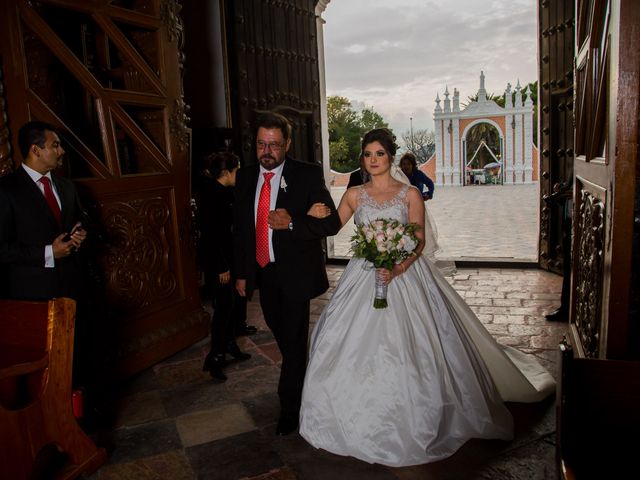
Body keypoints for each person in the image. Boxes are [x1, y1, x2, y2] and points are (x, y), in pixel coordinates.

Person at [298, 128, 555, 467]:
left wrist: (397, 267)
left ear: (390, 156)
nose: (373, 160)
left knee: (415, 343)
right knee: (342, 337)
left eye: (379, 154)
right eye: (367, 155)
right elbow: (332, 227)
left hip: (404, 275)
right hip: (362, 275)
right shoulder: (354, 195)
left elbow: (418, 242)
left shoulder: (410, 195)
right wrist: (309, 217)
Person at [233, 111, 341, 436]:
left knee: (293, 341)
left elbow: (331, 222)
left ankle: (291, 408)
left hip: (294, 273)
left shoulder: (307, 175)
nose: (267, 151)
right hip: (263, 273)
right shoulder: (245, 176)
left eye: (274, 145)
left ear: (287, 144)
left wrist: (292, 221)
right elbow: (241, 230)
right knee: (284, 336)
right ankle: (304, 378)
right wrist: (242, 273)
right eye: (261, 144)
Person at [195, 151, 252, 382]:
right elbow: (210, 236)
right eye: (237, 169)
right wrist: (221, 267)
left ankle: (229, 345)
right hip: (219, 261)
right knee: (223, 308)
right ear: (227, 172)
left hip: (229, 258)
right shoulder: (211, 195)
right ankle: (215, 356)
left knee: (232, 305)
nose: (239, 173)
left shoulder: (225, 192)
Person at [544, 180, 572, 322]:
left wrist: (568, 191)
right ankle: (566, 308)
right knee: (569, 266)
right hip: (571, 217)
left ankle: (569, 308)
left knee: (572, 267)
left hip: (577, 216)